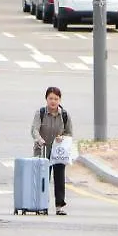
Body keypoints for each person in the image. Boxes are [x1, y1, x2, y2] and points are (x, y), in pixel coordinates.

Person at [30, 86, 74, 215]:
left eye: (56, 98)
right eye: (50, 98)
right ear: (46, 99)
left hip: (58, 151)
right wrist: (39, 139)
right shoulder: (41, 113)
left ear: (60, 100)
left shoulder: (64, 115)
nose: (53, 101)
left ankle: (59, 205)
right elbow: (34, 129)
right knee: (42, 178)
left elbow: (69, 133)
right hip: (42, 149)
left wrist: (62, 137)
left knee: (59, 177)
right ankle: (41, 204)